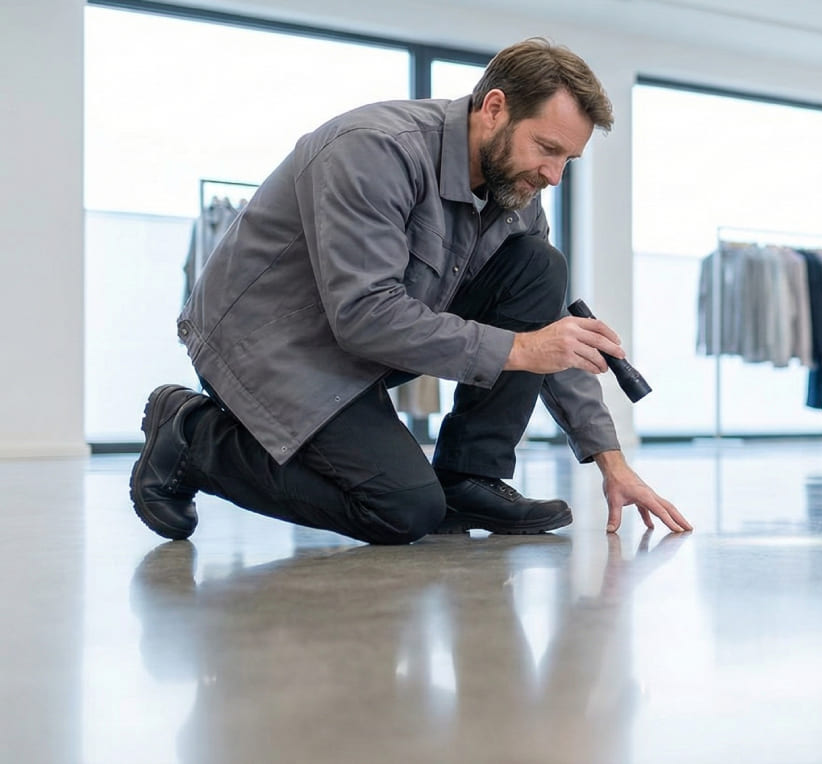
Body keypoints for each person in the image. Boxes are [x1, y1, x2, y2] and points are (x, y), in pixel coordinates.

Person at [130, 38, 691, 545]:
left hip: (364, 351)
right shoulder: (373, 150)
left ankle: (470, 476)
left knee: (541, 268)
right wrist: (522, 349)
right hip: (271, 346)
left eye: (568, 159)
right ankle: (189, 435)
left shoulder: (513, 190)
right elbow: (365, 314)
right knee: (403, 510)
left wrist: (611, 462)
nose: (554, 175)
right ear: (494, 108)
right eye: (547, 148)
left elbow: (551, 335)